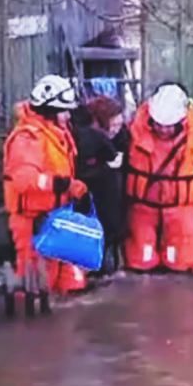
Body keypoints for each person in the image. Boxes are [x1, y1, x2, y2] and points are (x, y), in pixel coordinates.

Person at [124, 82, 193, 274]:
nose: (163, 130)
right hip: (142, 210)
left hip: (181, 211)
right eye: (159, 124)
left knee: (180, 267)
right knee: (140, 264)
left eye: (168, 126)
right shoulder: (132, 135)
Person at [2, 74, 91, 295]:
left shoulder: (54, 134)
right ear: (50, 111)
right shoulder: (27, 139)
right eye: (64, 110)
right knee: (38, 286)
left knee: (71, 281)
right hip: (34, 220)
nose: (68, 115)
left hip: (58, 215)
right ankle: (32, 325)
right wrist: (62, 185)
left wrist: (72, 188)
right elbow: (24, 179)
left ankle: (64, 324)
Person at [73, 95, 130, 276]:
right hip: (90, 201)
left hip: (112, 203)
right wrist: (106, 168)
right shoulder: (84, 140)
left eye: (118, 125)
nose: (115, 130)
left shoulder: (121, 138)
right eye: (112, 125)